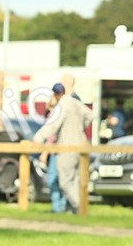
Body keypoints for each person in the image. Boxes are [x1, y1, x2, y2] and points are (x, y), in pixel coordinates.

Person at [33, 81, 94, 213]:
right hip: (81, 145)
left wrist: (38, 138)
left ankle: (79, 207)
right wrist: (81, 127)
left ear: (55, 94)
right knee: (76, 179)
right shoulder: (75, 102)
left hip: (67, 147)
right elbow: (90, 115)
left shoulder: (62, 105)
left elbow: (53, 125)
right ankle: (76, 208)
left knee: (65, 182)